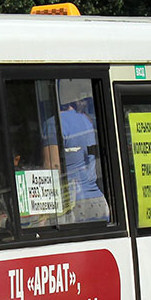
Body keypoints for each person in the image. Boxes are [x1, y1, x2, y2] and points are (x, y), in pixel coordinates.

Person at [42, 81, 109, 223]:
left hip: (74, 205)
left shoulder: (53, 123)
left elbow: (52, 168)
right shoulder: (87, 120)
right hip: (98, 202)